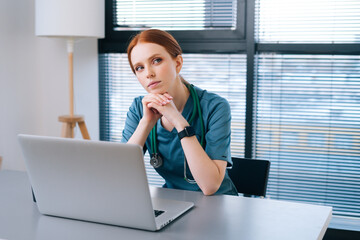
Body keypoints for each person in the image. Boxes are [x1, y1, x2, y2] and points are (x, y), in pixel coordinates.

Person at [121, 29, 238, 196]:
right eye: (139, 68)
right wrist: (146, 123)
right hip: (172, 201)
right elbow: (120, 173)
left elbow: (210, 186)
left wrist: (178, 120)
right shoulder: (139, 109)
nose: (149, 73)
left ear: (178, 63)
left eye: (156, 60)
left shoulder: (215, 107)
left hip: (218, 202)